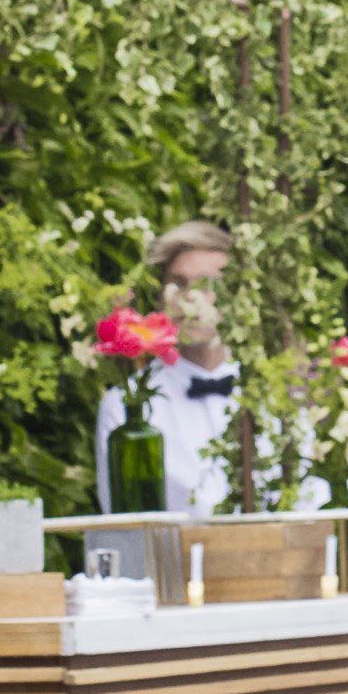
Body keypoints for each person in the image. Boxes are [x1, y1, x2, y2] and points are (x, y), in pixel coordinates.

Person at [89, 219, 244, 511]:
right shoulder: (124, 405)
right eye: (179, 284)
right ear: (161, 297)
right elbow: (123, 526)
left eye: (210, 285)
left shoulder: (271, 395)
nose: (192, 298)